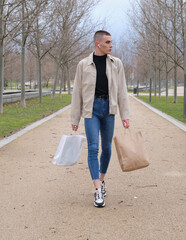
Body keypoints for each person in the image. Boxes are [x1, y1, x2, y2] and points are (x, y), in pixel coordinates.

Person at [71, 30, 130, 207]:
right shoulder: (83, 65)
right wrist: (75, 119)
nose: (111, 45)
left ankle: (102, 179)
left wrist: (125, 115)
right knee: (93, 148)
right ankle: (97, 189)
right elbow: (77, 94)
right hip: (91, 111)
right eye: (108, 42)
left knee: (107, 148)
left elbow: (122, 91)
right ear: (98, 44)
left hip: (109, 110)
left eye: (111, 42)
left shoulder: (116, 63)